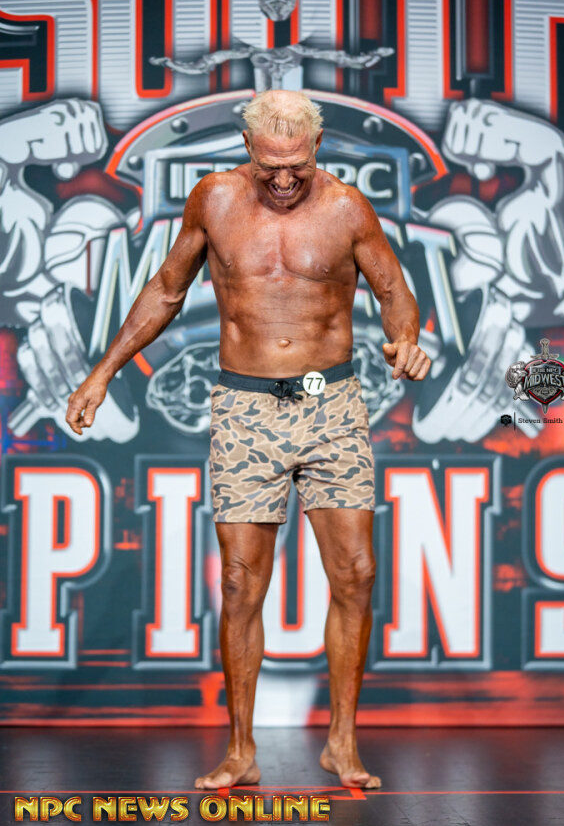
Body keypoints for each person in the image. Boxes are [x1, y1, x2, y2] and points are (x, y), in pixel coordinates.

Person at [65, 90, 431, 790]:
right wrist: (101, 373)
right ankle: (240, 750)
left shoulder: (348, 208)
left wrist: (405, 338)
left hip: (329, 402)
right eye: (270, 166)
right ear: (246, 147)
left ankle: (342, 742)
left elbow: (393, 290)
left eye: (297, 164)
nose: (284, 179)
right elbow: (166, 290)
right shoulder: (215, 200)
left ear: (317, 146)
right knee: (239, 583)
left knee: (355, 573)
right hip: (245, 408)